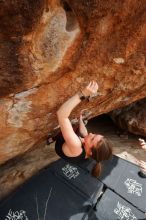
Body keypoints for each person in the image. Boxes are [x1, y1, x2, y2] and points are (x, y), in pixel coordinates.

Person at [55, 81, 113, 177]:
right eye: (95, 134)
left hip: (61, 142)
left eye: (92, 138)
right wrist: (80, 119)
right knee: (84, 134)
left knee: (75, 130)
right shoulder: (89, 152)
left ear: (90, 151)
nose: (91, 134)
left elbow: (61, 114)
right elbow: (85, 133)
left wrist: (83, 94)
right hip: (75, 145)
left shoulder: (76, 146)